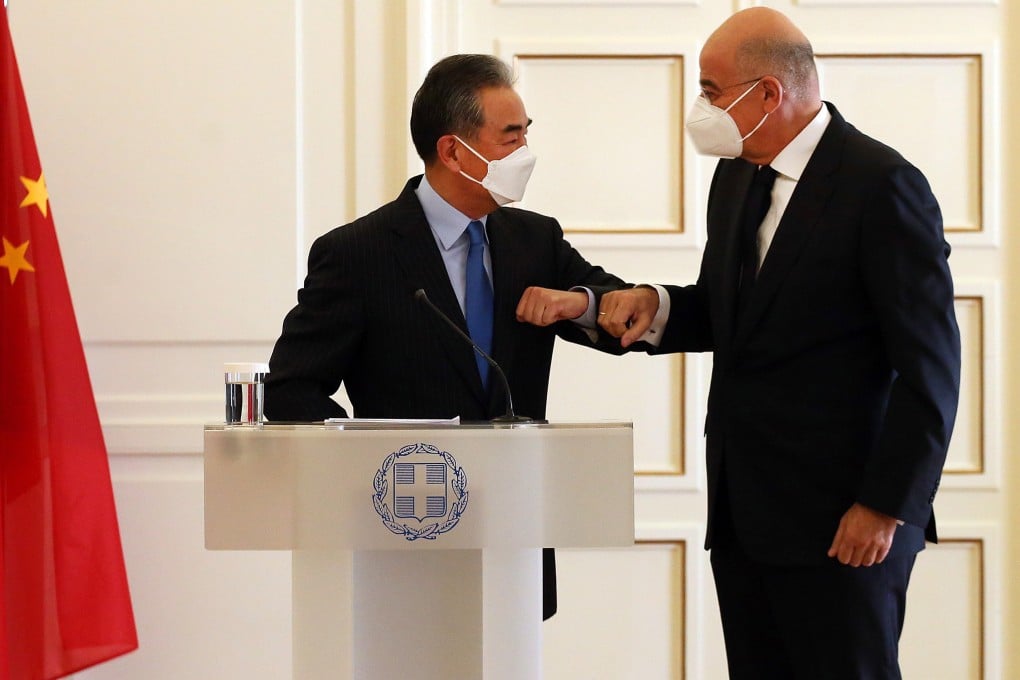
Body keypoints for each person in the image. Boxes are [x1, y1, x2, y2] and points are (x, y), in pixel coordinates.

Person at [517, 8, 961, 678]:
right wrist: (644, 304)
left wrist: (885, 506)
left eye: (712, 89)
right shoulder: (737, 177)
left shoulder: (882, 186)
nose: (702, 106)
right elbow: (730, 315)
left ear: (769, 94)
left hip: (847, 521)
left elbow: (932, 368)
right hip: (746, 516)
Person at [263, 54, 629, 621]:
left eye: (526, 134)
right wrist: (382, 462)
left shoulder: (536, 239)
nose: (525, 153)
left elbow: (623, 316)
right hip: (404, 533)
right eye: (510, 138)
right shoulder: (358, 254)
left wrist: (577, 301)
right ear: (455, 151)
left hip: (516, 532)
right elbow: (291, 390)